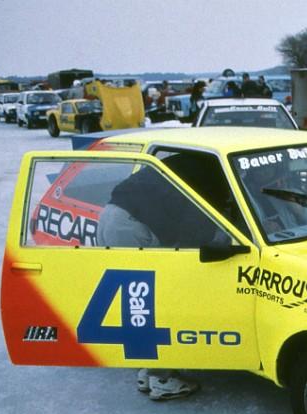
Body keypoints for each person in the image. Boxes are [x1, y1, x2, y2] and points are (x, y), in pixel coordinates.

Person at [96, 154, 231, 400]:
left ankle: (146, 370)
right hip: (131, 228)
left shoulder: (202, 160)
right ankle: (162, 379)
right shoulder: (214, 184)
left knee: (137, 300)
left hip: (110, 215)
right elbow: (191, 242)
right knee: (156, 302)